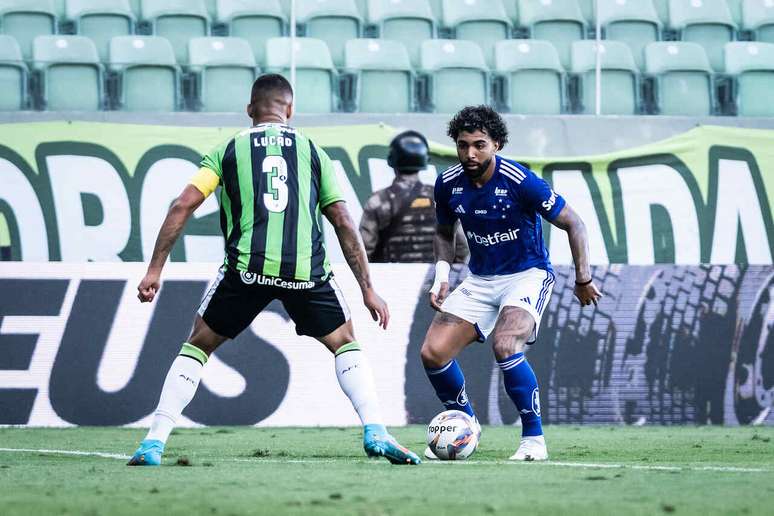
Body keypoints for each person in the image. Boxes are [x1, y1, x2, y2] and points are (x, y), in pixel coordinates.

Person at [128, 74, 420, 466]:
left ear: (250, 109)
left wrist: (154, 271)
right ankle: (376, 431)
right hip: (306, 272)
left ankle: (153, 443)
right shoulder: (315, 153)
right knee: (345, 342)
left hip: (246, 269)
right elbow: (344, 221)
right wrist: (368, 288)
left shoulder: (227, 150)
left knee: (198, 345)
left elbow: (181, 206)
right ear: (290, 110)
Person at [420, 106, 602, 461]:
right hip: (481, 278)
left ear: (497, 145)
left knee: (505, 344)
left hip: (527, 274)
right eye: (462, 145)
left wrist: (584, 278)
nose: (470, 154)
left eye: (479, 145)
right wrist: (442, 276)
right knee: (433, 352)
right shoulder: (448, 183)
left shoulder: (521, 181)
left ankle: (534, 439)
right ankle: (467, 424)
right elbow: (443, 232)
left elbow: (574, 224)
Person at [359, 130, 468, 263]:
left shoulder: (378, 201)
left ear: (392, 161)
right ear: (424, 160)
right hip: (433, 279)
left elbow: (363, 251)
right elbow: (462, 248)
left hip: (391, 280)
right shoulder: (441, 198)